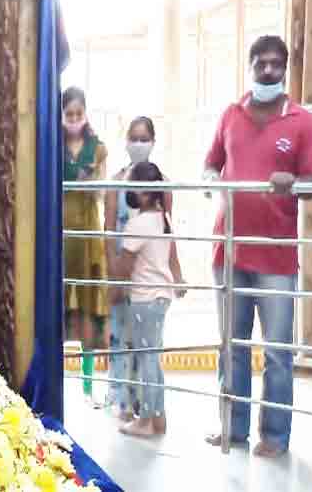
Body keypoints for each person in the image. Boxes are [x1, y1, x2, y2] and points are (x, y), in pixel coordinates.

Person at [202, 35, 312, 457]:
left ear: (285, 69)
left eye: (276, 64)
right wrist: (209, 181)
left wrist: (296, 183)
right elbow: (211, 163)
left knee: (277, 352)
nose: (268, 71)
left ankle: (274, 436)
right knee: (231, 346)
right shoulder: (231, 115)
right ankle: (231, 430)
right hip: (229, 251)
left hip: (275, 257)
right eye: (261, 64)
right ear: (250, 66)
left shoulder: (302, 122)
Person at [102, 116, 175, 422]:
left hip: (149, 278)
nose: (139, 144)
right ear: (126, 141)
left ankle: (148, 407)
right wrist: (113, 278)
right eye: (134, 137)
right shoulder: (116, 183)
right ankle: (122, 402)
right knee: (121, 337)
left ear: (153, 141)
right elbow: (107, 231)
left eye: (144, 138)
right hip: (122, 270)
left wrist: (175, 272)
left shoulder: (162, 185)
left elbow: (168, 233)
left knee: (148, 345)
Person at [109, 161, 186, 437]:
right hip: (160, 296)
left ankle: (147, 421)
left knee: (148, 360)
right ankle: (158, 418)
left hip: (144, 298)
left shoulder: (138, 223)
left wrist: (107, 253)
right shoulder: (161, 219)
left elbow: (124, 266)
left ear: (144, 192)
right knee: (152, 358)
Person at [62, 87, 109, 359]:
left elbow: (101, 193)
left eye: (78, 113)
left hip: (88, 229)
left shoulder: (98, 149)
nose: (74, 118)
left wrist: (88, 182)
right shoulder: (52, 147)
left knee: (89, 305)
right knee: (63, 302)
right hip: (61, 231)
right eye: (69, 114)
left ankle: (89, 382)